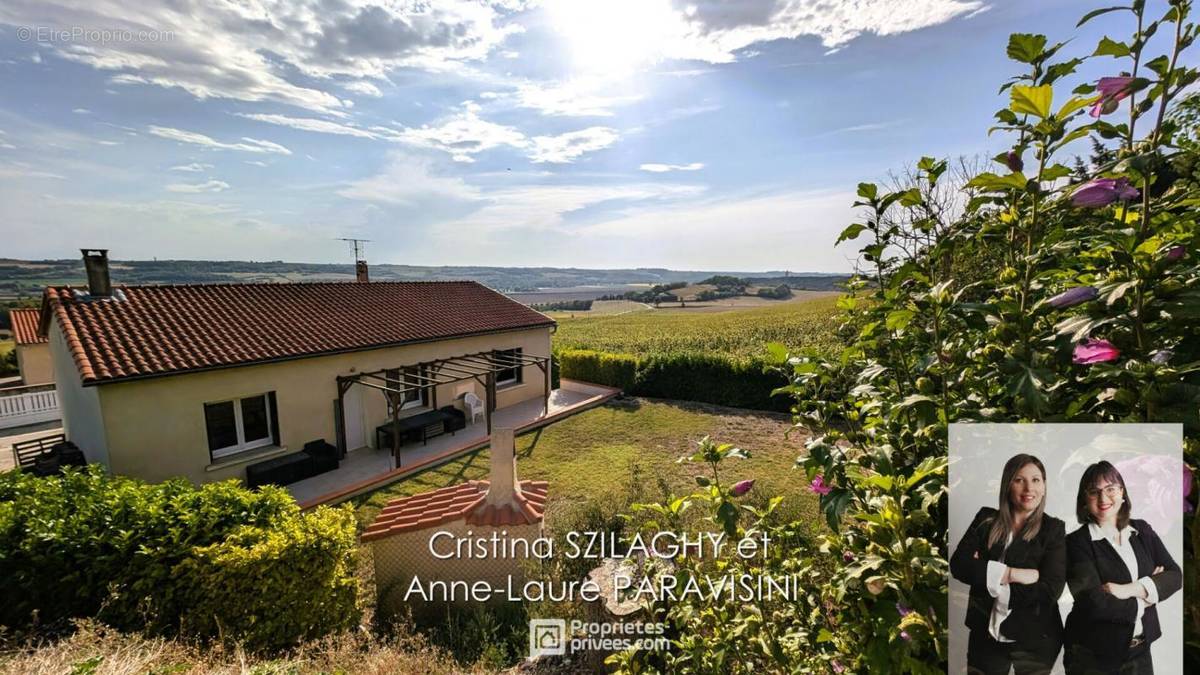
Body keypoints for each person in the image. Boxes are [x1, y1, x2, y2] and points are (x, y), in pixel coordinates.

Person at [951, 453, 1066, 674]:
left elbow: (1051, 589)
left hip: (1035, 636)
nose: (1028, 488)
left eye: (1036, 480)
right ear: (1007, 484)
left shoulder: (1053, 529)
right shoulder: (985, 519)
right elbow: (959, 565)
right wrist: (1013, 574)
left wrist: (987, 576)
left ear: (1043, 486)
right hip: (984, 632)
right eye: (1019, 479)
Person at [1063, 461, 1181, 674]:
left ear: (1122, 492)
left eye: (1111, 489)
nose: (1103, 498)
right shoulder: (1075, 543)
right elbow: (1095, 604)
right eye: (1094, 492)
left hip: (1140, 650)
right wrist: (1148, 595)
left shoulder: (1142, 530)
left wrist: (1129, 589)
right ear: (1084, 500)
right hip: (1092, 656)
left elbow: (1175, 576)